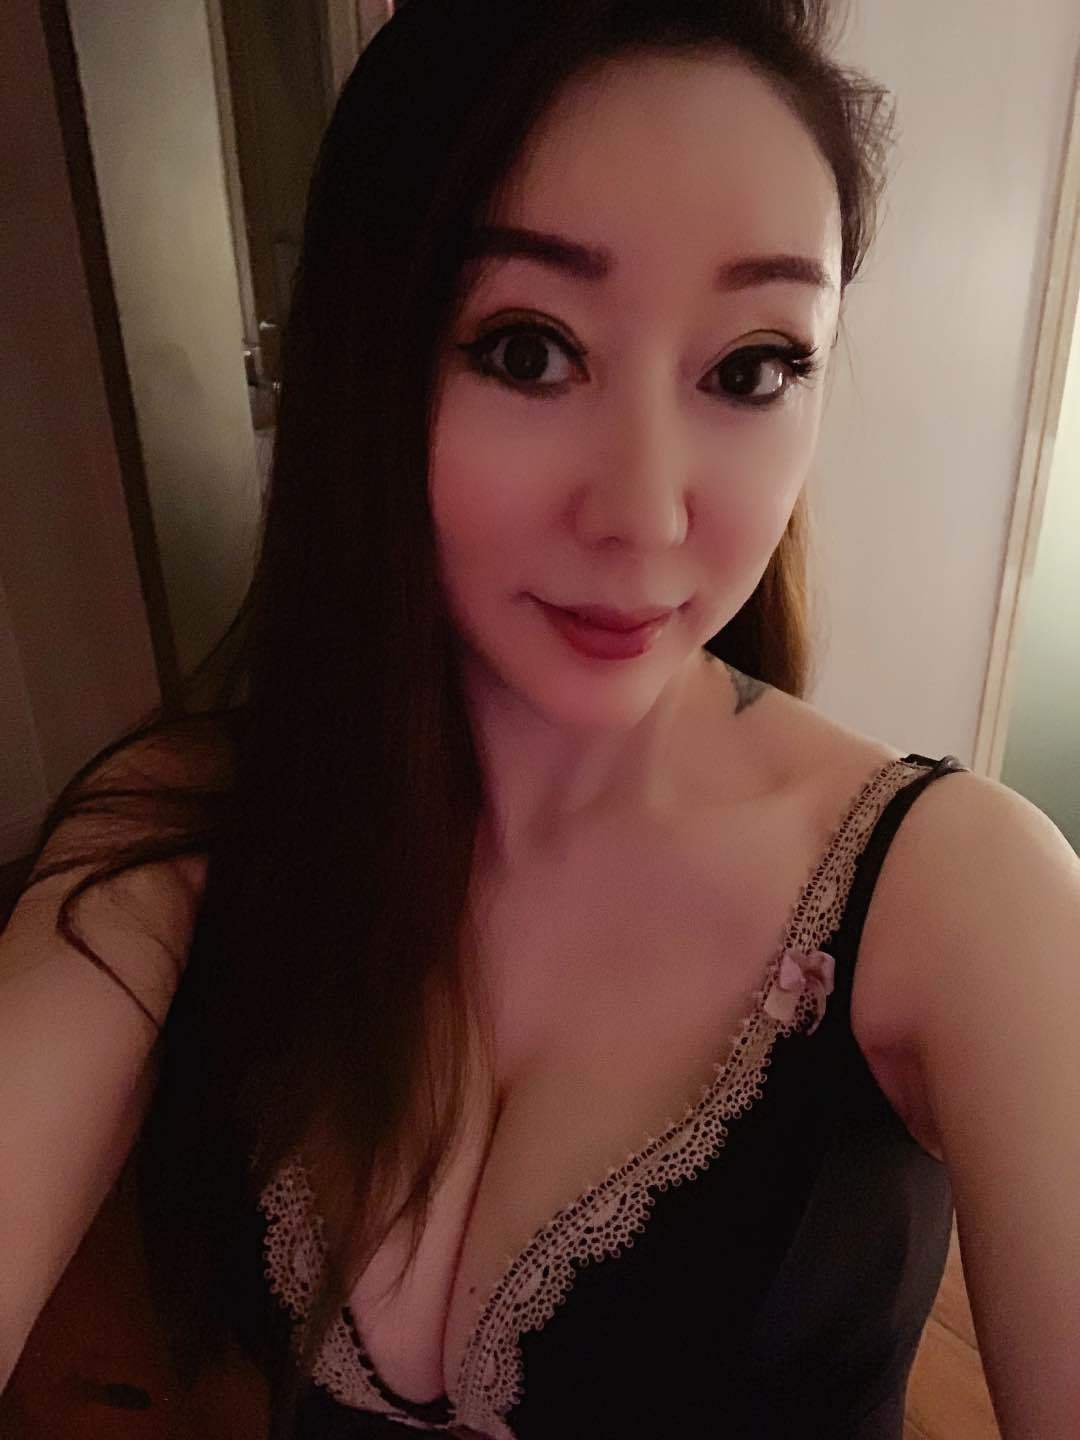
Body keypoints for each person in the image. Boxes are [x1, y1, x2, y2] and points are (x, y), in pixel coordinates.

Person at [2, 0, 1078, 1436]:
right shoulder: (177, 834)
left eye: (752, 368)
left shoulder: (967, 899)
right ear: (369, 363)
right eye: (527, 350)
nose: (645, 515)